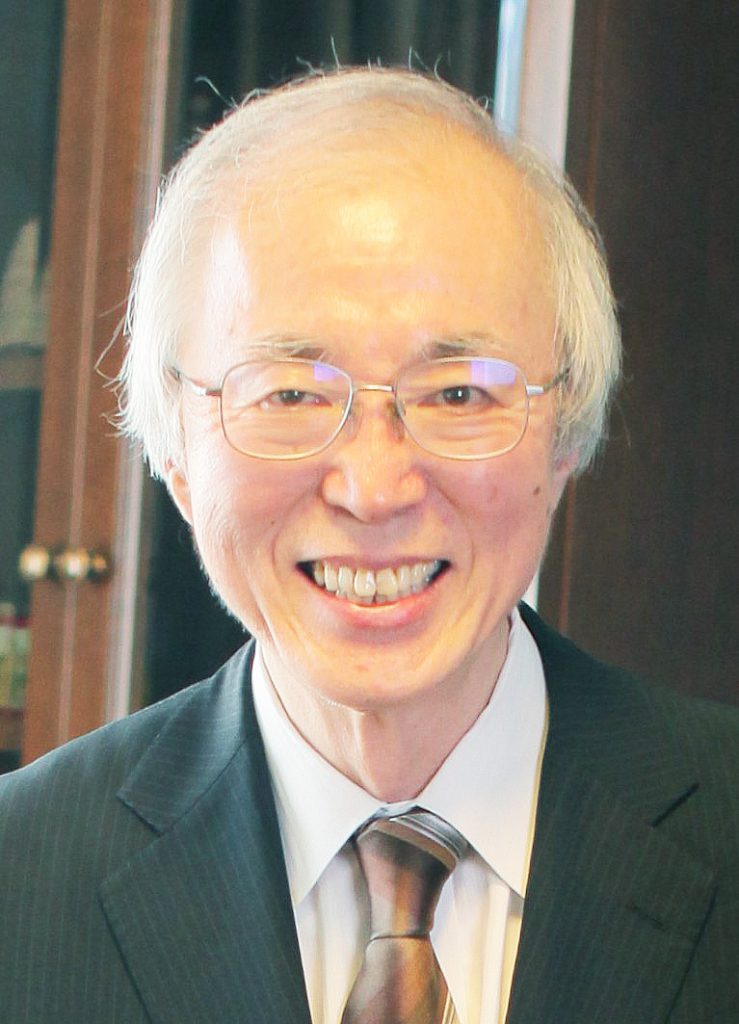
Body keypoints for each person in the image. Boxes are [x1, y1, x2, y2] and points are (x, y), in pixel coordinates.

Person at [0, 67, 737, 1024]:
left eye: (458, 393)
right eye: (290, 394)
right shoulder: (21, 881)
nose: (373, 489)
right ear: (176, 453)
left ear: (565, 435)